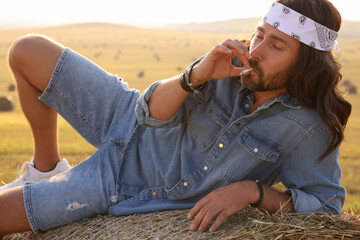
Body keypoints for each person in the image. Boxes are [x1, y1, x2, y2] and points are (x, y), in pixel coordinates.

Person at [0, 0, 352, 236]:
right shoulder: (228, 63)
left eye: (276, 46)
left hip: (123, 180)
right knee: (27, 50)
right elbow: (147, 114)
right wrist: (196, 74)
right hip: (129, 117)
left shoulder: (308, 128)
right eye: (260, 35)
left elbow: (324, 206)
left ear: (305, 62)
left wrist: (253, 191)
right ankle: (46, 168)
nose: (256, 52)